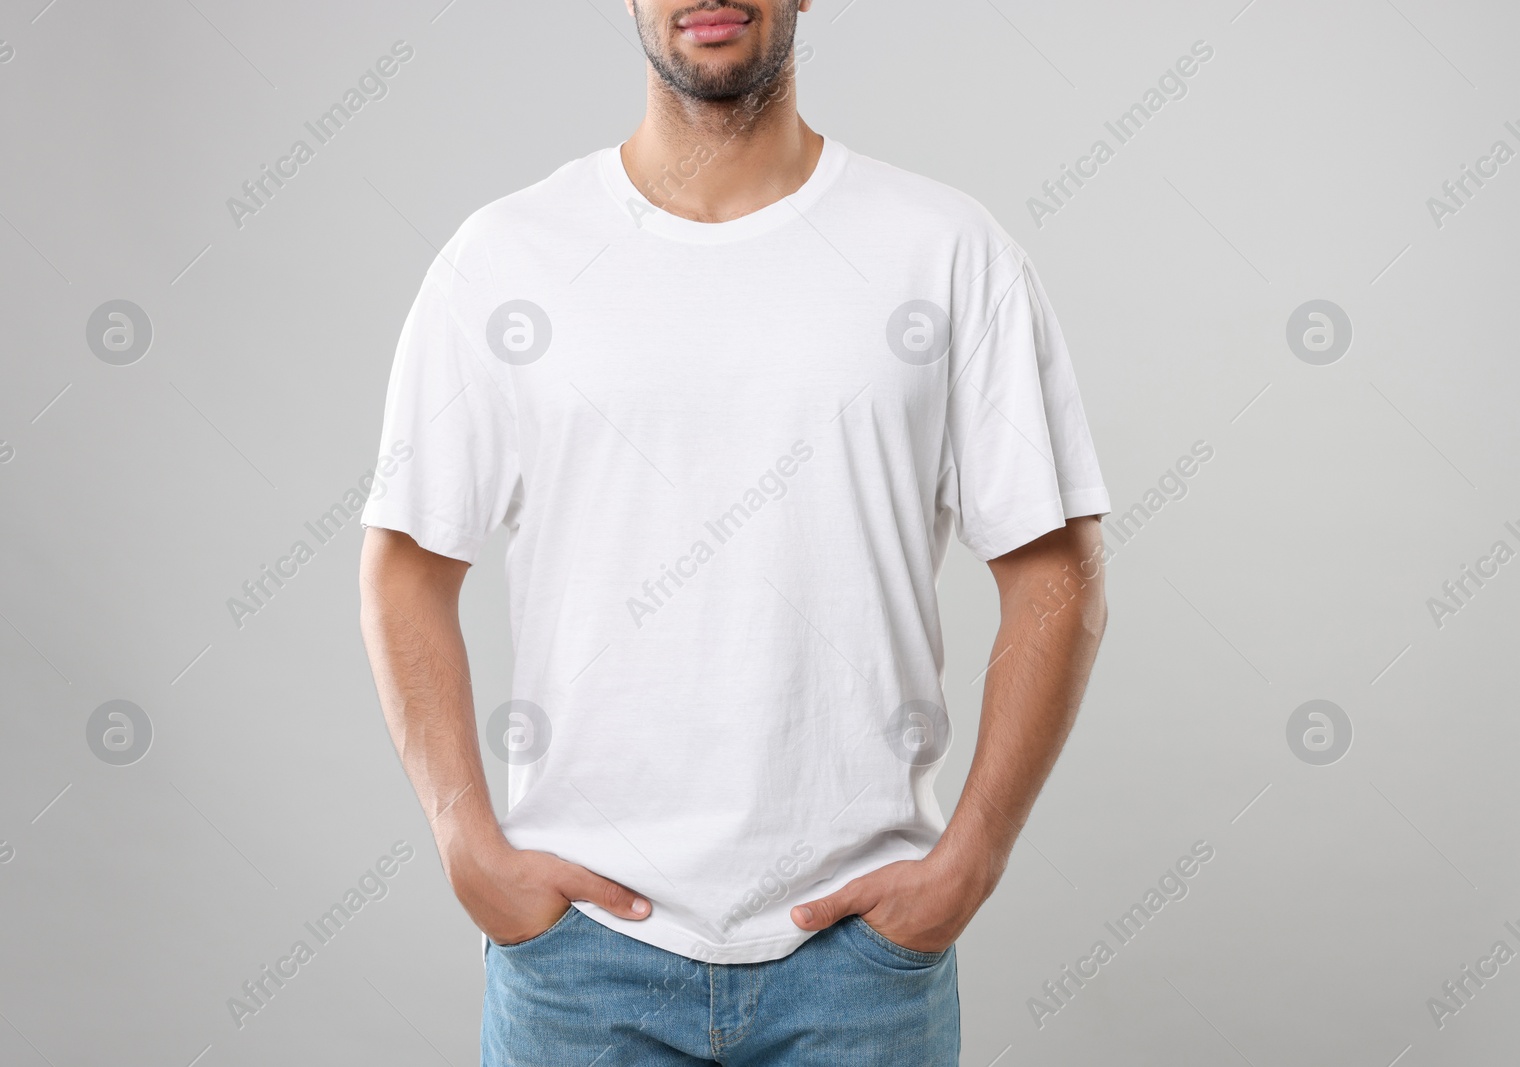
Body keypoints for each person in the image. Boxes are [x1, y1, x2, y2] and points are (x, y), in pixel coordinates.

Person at [358, 1, 1110, 1062]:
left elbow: (1058, 574)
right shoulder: (506, 259)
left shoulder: (945, 252)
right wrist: (460, 832)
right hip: (577, 962)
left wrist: (973, 853)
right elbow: (404, 565)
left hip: (859, 965)